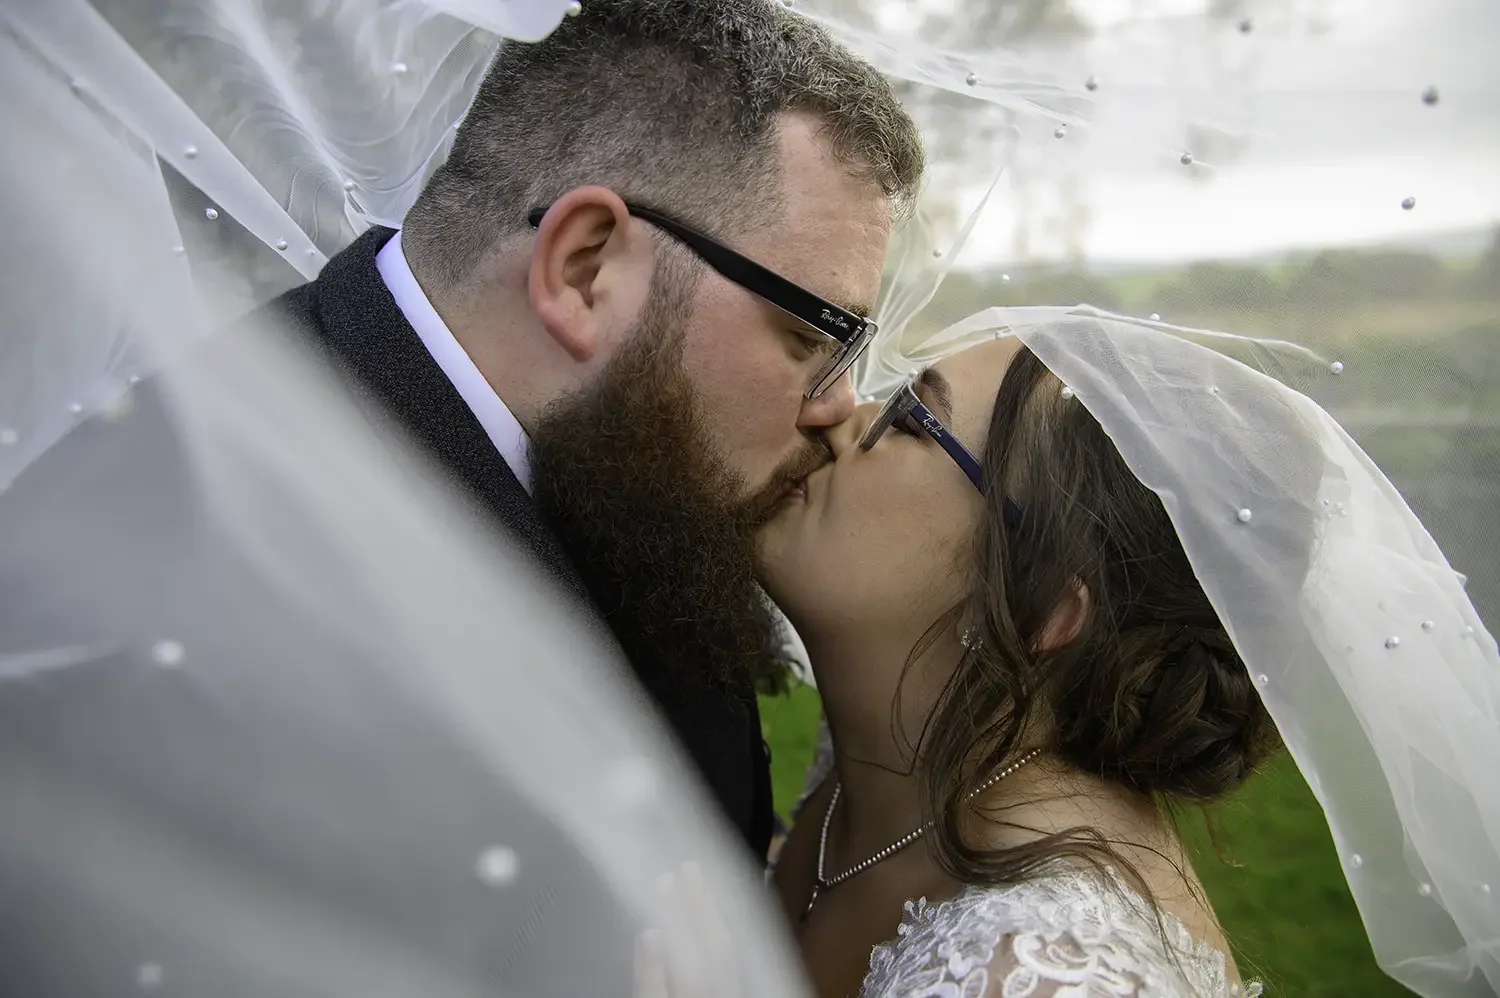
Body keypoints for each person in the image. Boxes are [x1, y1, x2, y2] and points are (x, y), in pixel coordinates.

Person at [239, 0, 924, 858]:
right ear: (584, 268)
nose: (841, 408)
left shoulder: (642, 503)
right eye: (809, 336)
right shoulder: (222, 577)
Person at [761, 334, 1314, 996]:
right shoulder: (893, 738)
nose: (837, 414)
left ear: (1043, 605)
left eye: (909, 420)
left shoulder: (1034, 974)